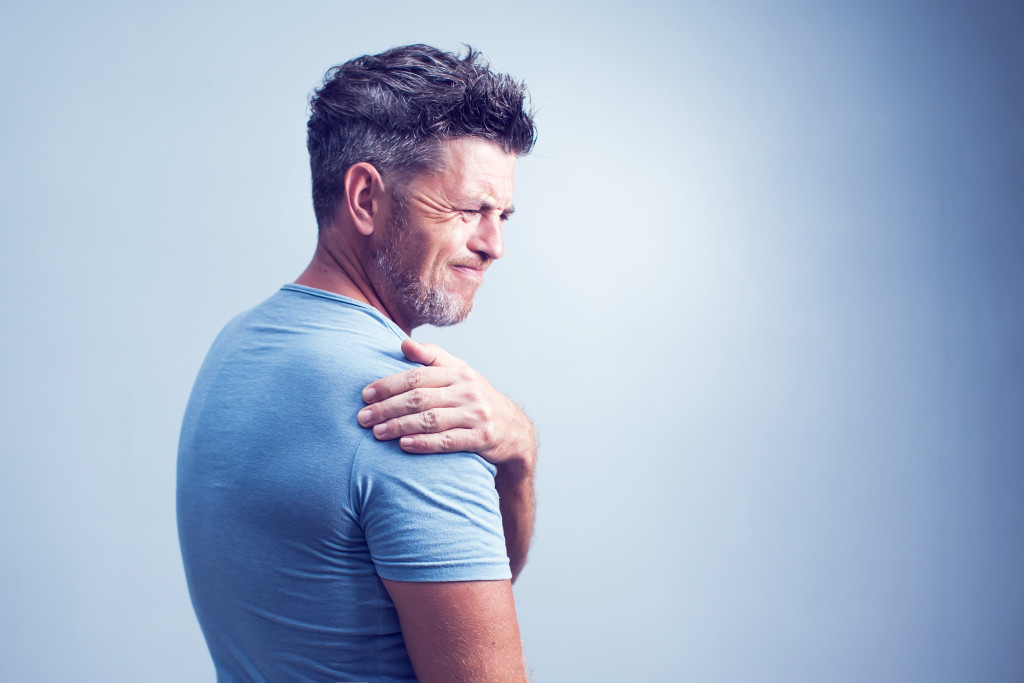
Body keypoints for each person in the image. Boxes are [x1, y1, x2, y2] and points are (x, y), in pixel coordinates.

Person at [177, 44, 538, 682]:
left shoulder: (236, 348)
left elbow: (460, 584)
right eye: (467, 210)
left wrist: (517, 457)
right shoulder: (418, 419)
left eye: (502, 215)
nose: (494, 245)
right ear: (366, 198)